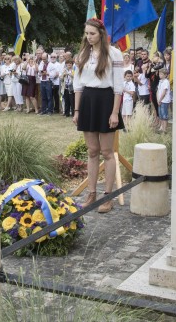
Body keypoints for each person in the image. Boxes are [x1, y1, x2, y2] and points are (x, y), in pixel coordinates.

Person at [72, 18, 125, 213]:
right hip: (88, 101)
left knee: (107, 152)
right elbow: (78, 85)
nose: (88, 37)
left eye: (92, 33)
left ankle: (107, 196)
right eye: (86, 33)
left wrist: (114, 113)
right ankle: (91, 193)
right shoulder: (83, 53)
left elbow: (119, 87)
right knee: (92, 151)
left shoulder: (114, 54)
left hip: (106, 100)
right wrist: (77, 110)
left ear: (101, 34)